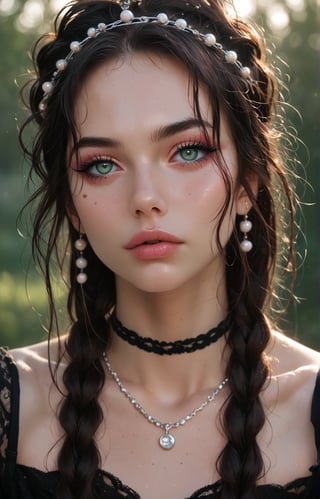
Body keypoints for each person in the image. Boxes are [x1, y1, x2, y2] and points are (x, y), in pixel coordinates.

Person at [0, 0, 319, 497]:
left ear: (247, 184)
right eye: (101, 164)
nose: (145, 198)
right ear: (72, 204)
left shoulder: (311, 405)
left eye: (188, 151)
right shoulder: (11, 406)